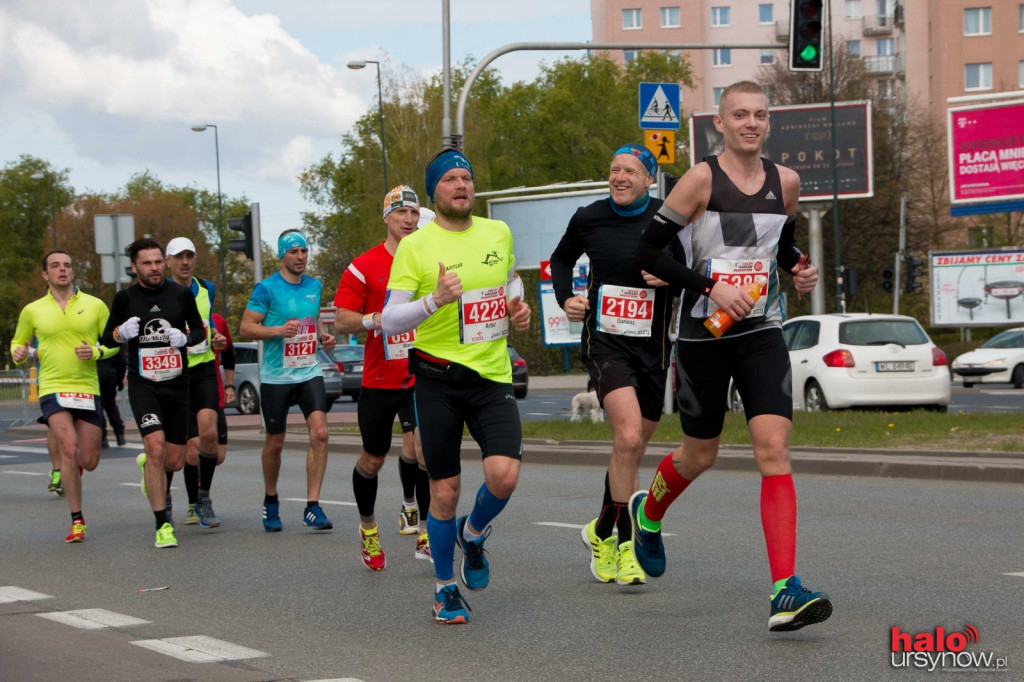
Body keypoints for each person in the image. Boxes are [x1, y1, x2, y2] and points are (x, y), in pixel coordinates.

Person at [630, 80, 830, 632]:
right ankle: (648, 513)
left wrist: (798, 268)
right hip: (703, 335)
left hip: (761, 329)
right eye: (739, 115)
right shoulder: (700, 179)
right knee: (700, 455)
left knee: (774, 446)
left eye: (760, 115)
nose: (750, 123)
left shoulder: (785, 182)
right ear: (720, 123)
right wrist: (708, 287)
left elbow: (777, 244)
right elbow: (647, 249)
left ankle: (784, 590)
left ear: (768, 123)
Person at [381, 149, 531, 624]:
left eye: (467, 177)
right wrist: (433, 301)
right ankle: (445, 587)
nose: (461, 185)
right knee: (444, 491)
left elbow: (511, 282)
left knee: (504, 475)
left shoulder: (498, 232)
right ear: (435, 192)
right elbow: (388, 319)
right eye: (450, 179)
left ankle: (475, 531)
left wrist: (516, 306)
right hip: (437, 379)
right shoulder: (416, 247)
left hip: (491, 376)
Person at [550, 144, 682, 587]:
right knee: (626, 437)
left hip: (653, 349)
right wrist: (565, 295)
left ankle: (599, 531)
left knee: (634, 447)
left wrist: (671, 276)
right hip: (605, 342)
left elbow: (693, 268)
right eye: (614, 170)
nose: (620, 177)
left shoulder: (670, 218)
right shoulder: (589, 216)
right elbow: (562, 258)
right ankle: (626, 546)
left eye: (631, 170)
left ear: (649, 179)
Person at [333, 185, 431, 570]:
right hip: (378, 379)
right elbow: (341, 318)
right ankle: (368, 528)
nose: (408, 220)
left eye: (413, 213)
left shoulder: (427, 258)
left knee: (422, 450)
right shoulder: (363, 265)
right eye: (400, 213)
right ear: (386, 217)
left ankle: (425, 531)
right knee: (373, 459)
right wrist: (376, 320)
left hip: (420, 374)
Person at [101, 237, 206, 549]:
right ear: (135, 268)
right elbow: (107, 337)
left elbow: (200, 330)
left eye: (158, 261)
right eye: (147, 263)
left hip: (177, 383)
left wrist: (184, 337)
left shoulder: (181, 295)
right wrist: (122, 333)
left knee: (174, 460)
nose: (155, 268)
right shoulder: (124, 299)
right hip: (144, 385)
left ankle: (148, 468)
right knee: (156, 448)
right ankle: (163, 525)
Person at [11, 250, 115, 543]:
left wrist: (96, 352)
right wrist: (17, 354)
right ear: (45, 274)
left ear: (73, 272)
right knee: (69, 449)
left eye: (67, 265)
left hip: (86, 388)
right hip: (53, 386)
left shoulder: (95, 306)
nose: (62, 270)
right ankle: (77, 520)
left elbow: (114, 343)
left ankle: (71, 472)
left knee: (89, 460)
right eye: (55, 266)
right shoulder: (33, 310)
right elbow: (18, 343)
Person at [240, 229, 337, 533]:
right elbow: (246, 327)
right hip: (276, 376)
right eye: (293, 252)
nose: (299, 257)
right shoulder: (266, 289)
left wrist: (323, 335)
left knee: (320, 434)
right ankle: (271, 501)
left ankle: (313, 506)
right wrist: (277, 330)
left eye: (304, 251)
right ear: (282, 255)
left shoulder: (314, 285)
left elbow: (314, 317)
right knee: (275, 442)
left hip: (309, 369)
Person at [164, 237, 228, 529]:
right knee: (176, 451)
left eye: (189, 256)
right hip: (172, 374)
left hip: (202, 370)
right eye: (179, 257)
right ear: (168, 262)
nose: (185, 262)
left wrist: (217, 338)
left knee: (208, 437)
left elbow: (208, 324)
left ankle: (203, 499)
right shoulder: (159, 292)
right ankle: (162, 497)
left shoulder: (207, 288)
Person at [183, 311, 235, 524]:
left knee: (217, 455)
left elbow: (229, 352)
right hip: (183, 391)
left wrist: (230, 385)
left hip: (212, 393)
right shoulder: (173, 314)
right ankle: (194, 504)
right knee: (194, 449)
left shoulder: (216, 320)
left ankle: (199, 496)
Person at [97, 342, 127, 448]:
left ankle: (102, 436)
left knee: (98, 405)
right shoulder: (112, 335)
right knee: (111, 404)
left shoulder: (92, 332)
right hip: (110, 373)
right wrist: (119, 379)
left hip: (95, 374)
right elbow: (122, 360)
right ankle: (119, 435)